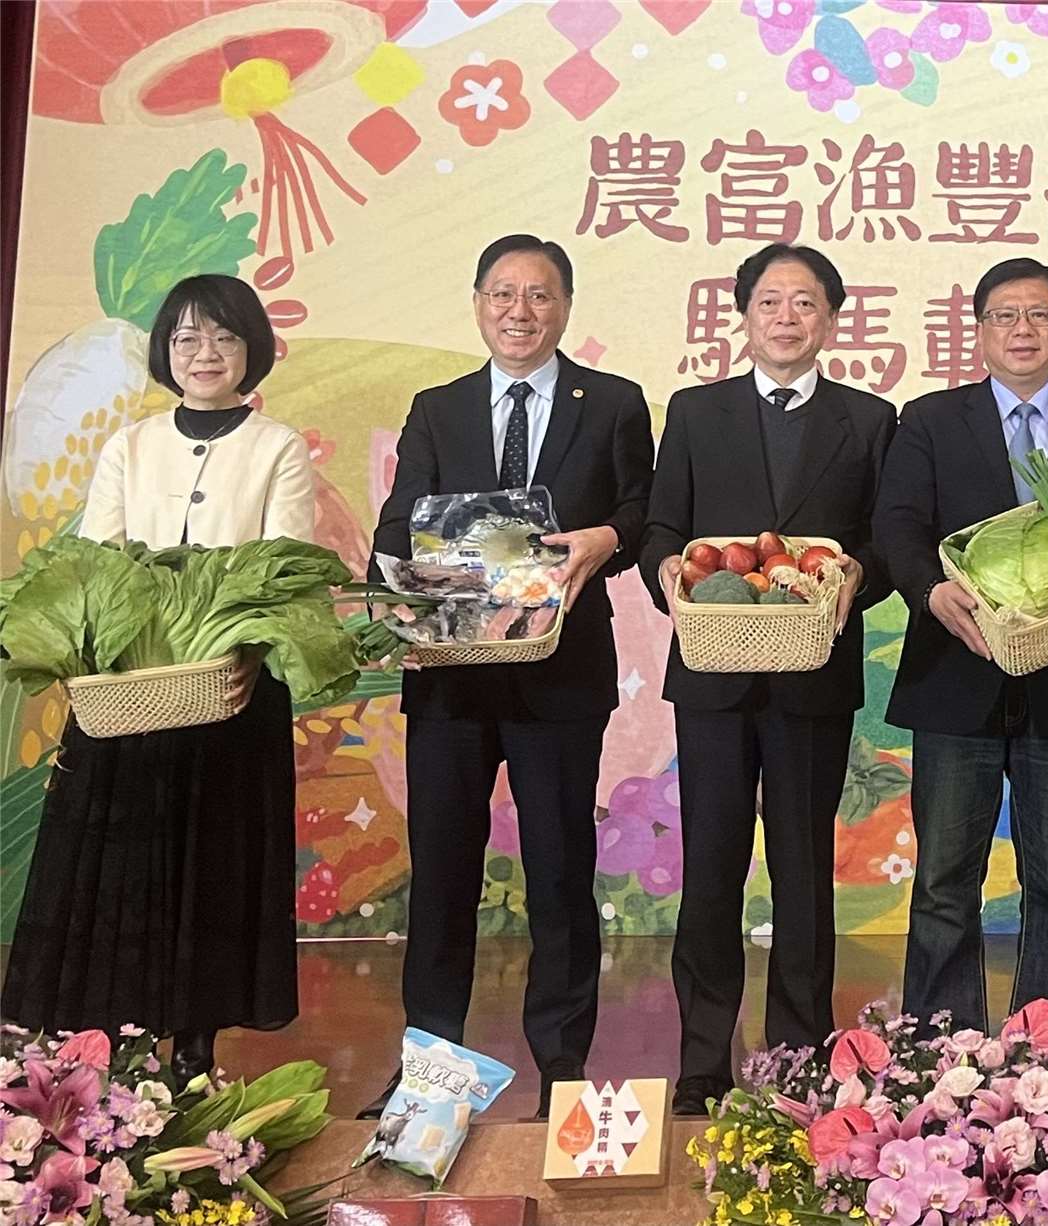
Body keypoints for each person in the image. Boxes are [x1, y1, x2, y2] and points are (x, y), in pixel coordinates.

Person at [1, 273, 315, 1081]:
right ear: (165, 353)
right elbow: (94, 558)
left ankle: (198, 1044)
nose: (204, 354)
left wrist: (232, 642)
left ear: (251, 350)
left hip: (229, 692)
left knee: (213, 867)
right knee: (116, 866)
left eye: (223, 338)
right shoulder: (129, 446)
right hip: (128, 691)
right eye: (186, 339)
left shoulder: (276, 445)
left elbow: (281, 563)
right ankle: (111, 1042)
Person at [367, 234, 654, 1114]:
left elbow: (642, 509)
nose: (520, 312)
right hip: (452, 674)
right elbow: (397, 522)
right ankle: (427, 1076)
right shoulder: (438, 406)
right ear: (479, 303)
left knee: (561, 872)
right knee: (444, 870)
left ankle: (562, 1074)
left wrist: (608, 538)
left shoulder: (610, 401)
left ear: (565, 306)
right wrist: (404, 575)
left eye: (538, 296)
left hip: (560, 673)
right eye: (503, 294)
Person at [641, 243, 897, 1113]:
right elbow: (659, 526)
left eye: (807, 303)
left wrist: (857, 575)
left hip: (813, 679)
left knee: (803, 871)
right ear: (744, 315)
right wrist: (671, 574)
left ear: (831, 320)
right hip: (712, 675)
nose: (788, 317)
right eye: (772, 301)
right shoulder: (695, 410)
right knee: (710, 869)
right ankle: (703, 1061)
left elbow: (879, 544)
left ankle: (799, 1054)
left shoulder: (869, 419)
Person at [875, 257, 1048, 1032]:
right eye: (1004, 315)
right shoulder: (928, 420)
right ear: (980, 330)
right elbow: (897, 523)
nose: (1022, 330)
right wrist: (931, 589)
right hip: (953, 679)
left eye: (1039, 315)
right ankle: (937, 1048)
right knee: (942, 882)